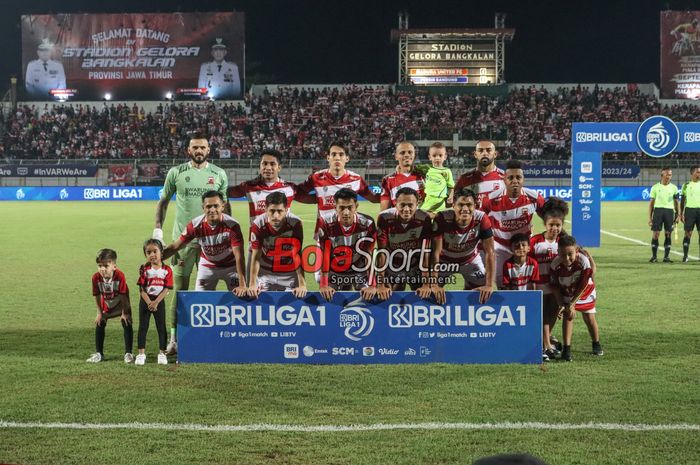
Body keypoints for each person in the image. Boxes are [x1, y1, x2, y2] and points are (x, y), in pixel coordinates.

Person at [154, 133, 228, 355]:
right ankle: (174, 339)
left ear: (208, 150)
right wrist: (158, 229)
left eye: (202, 147)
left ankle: (208, 336)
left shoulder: (219, 174)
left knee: (210, 290)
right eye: (195, 147)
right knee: (179, 291)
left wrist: (227, 232)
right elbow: (164, 201)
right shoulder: (176, 173)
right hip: (183, 243)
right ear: (188, 150)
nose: (198, 151)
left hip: (211, 243)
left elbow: (225, 206)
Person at [163, 191, 247, 296]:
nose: (212, 210)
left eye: (216, 206)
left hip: (231, 266)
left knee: (240, 297)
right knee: (200, 299)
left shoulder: (233, 226)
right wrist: (158, 258)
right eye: (208, 206)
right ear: (203, 207)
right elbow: (176, 246)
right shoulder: (195, 225)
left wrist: (243, 285)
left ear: (222, 206)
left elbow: (239, 256)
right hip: (208, 265)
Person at [296, 141, 380, 240]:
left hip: (350, 232)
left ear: (347, 158)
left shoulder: (356, 179)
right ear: (328, 158)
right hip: (324, 232)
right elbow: (297, 193)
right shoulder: (316, 178)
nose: (337, 157)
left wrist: (392, 193)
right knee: (323, 256)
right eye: (333, 154)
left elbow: (373, 197)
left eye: (341, 154)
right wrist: (317, 199)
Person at [481, 159, 545, 288]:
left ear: (523, 179)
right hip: (500, 248)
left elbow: (549, 219)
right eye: (510, 177)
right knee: (502, 285)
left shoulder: (534, 198)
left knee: (526, 285)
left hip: (523, 248)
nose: (515, 181)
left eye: (518, 177)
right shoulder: (490, 200)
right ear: (504, 180)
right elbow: (479, 221)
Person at [430, 187, 495, 305]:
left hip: (470, 260)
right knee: (431, 291)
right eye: (461, 205)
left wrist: (489, 285)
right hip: (444, 261)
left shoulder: (481, 218)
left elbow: (490, 252)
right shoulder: (442, 218)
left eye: (469, 205)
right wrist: (434, 284)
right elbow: (435, 252)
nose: (465, 209)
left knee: (482, 291)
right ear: (453, 205)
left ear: (475, 205)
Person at [549, 235, 603, 362]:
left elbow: (583, 285)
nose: (566, 258)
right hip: (567, 291)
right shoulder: (555, 264)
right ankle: (566, 350)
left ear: (576, 251)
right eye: (562, 254)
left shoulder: (583, 261)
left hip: (585, 292)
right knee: (568, 314)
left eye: (570, 254)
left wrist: (572, 303)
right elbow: (555, 286)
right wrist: (561, 303)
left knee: (589, 317)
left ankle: (596, 343)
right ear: (558, 252)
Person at [317, 188, 377, 301]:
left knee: (370, 297)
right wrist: (324, 285)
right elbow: (325, 255)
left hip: (358, 270)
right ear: (335, 207)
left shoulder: (368, 223)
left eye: (350, 207)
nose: (346, 212)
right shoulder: (324, 222)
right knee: (327, 297)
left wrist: (372, 285)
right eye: (342, 208)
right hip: (335, 270)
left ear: (356, 207)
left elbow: (368, 255)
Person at [375, 187, 433, 300]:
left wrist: (426, 284)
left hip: (415, 264)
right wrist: (380, 284)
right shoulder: (384, 217)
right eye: (402, 205)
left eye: (410, 205)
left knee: (423, 296)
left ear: (417, 204)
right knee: (389, 297)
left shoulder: (424, 218)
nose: (406, 209)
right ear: (395, 203)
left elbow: (425, 251)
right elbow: (382, 251)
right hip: (393, 264)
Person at [530, 197, 569, 359]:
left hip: (555, 286)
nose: (554, 228)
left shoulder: (563, 242)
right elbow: (530, 264)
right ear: (545, 224)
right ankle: (545, 345)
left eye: (558, 225)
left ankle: (546, 343)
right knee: (542, 315)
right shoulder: (535, 241)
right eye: (551, 225)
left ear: (562, 225)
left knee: (552, 313)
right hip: (539, 284)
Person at [247, 192, 307, 297]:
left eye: (279, 211)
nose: (275, 216)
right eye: (272, 211)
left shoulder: (295, 223)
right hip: (265, 273)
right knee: (263, 307)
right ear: (265, 209)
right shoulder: (258, 224)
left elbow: (297, 254)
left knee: (294, 305)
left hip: (289, 273)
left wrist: (302, 283)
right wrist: (252, 284)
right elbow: (256, 257)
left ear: (286, 210)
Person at [87, 249, 134, 363]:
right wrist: (99, 313)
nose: (102, 269)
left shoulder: (120, 276)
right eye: (99, 266)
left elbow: (124, 296)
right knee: (100, 322)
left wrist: (125, 312)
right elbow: (97, 296)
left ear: (114, 266)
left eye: (106, 266)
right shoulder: (95, 278)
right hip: (106, 306)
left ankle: (128, 353)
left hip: (121, 305)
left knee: (126, 322)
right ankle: (99, 354)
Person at [135, 239, 173, 366]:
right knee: (143, 327)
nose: (152, 255)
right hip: (145, 301)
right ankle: (141, 354)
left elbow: (166, 288)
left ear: (161, 252)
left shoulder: (167, 270)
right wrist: (149, 302)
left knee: (161, 327)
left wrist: (156, 302)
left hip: (159, 301)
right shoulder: (144, 269)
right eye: (148, 252)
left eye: (154, 251)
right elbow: (141, 289)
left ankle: (162, 354)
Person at [454, 140, 505, 207]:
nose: (484, 153)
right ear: (475, 154)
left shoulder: (505, 178)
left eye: (488, 150)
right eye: (480, 150)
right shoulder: (464, 178)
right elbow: (455, 203)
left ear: (495, 154)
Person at [379, 141, 425, 210]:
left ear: (414, 155)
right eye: (402, 153)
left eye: (410, 152)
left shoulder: (423, 175)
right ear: (396, 156)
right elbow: (384, 212)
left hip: (421, 220)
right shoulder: (388, 180)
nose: (406, 155)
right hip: (398, 220)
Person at [648, 167, 680, 263]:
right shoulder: (655, 187)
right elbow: (651, 204)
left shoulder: (674, 188)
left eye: (670, 175)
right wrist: (650, 218)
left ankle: (666, 257)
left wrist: (678, 215)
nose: (668, 176)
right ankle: (654, 257)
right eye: (667, 174)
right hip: (658, 211)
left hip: (669, 212)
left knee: (668, 234)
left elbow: (676, 202)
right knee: (656, 234)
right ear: (662, 175)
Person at [416, 142, 455, 216]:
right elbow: (413, 168)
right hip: (427, 199)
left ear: (445, 156)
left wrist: (451, 196)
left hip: (439, 201)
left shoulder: (446, 171)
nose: (437, 158)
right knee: (423, 219)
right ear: (429, 157)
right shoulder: (427, 168)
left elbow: (451, 186)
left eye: (440, 155)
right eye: (434, 155)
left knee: (437, 221)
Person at [680, 165, 700, 262]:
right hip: (689, 211)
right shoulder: (686, 185)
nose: (699, 174)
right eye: (698, 172)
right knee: (688, 234)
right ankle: (685, 256)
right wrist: (681, 213)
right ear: (692, 173)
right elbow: (682, 201)